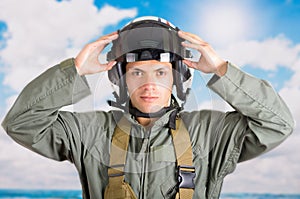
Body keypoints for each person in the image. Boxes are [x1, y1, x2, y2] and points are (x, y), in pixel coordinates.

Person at [1, 16, 294, 199]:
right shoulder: (89, 132)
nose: (149, 84)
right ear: (121, 80)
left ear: (176, 79)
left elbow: (278, 124)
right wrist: (73, 72)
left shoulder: (211, 132)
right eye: (137, 72)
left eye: (161, 72)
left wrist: (221, 70)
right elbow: (20, 123)